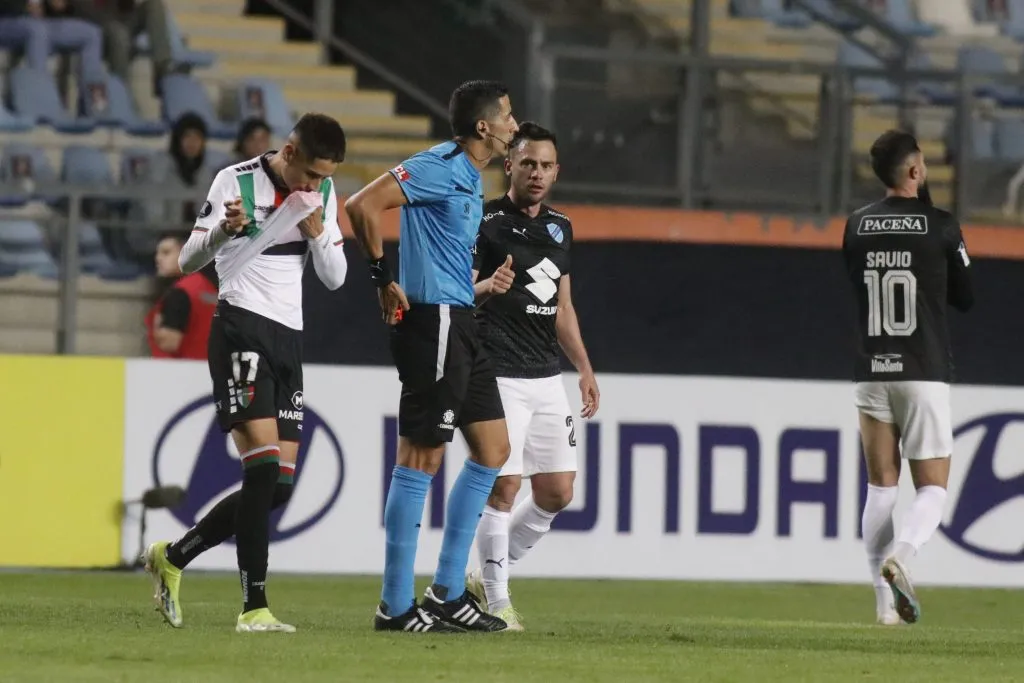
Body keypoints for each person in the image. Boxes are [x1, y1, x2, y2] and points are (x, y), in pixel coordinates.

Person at [142, 113, 348, 633]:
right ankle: (254, 608)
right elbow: (189, 260)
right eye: (310, 174)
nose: (314, 185)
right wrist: (223, 231)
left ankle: (174, 556)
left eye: (324, 177)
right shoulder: (236, 180)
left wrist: (320, 234)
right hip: (240, 327)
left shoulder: (322, 194)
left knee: (277, 488)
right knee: (259, 471)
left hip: (288, 340)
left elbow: (335, 278)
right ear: (290, 150)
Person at [344, 80, 519, 633]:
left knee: (493, 450)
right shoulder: (438, 164)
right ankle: (394, 605)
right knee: (420, 457)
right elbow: (361, 204)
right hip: (434, 322)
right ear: (485, 127)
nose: (515, 125)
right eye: (508, 117)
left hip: (463, 318)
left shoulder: (469, 177)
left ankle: (445, 593)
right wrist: (381, 276)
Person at [463, 122, 599, 630]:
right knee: (505, 487)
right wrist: (486, 285)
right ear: (509, 167)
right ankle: (498, 604)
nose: (537, 174)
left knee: (558, 492)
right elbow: (455, 288)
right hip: (496, 370)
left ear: (556, 171)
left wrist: (583, 367)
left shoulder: (562, 227)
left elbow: (562, 305)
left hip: (546, 374)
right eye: (528, 164)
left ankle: (483, 577)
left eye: (545, 166)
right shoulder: (485, 220)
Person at [841, 130, 973, 626]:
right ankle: (905, 554)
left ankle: (882, 606)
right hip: (923, 368)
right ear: (915, 171)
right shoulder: (940, 225)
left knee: (880, 488)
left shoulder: (855, 225)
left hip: (872, 368)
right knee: (933, 489)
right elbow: (965, 296)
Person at [145, 230, 218, 360]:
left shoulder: (180, 293)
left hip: (180, 372)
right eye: (158, 253)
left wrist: (155, 328)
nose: (158, 258)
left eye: (166, 253)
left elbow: (170, 343)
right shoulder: (209, 288)